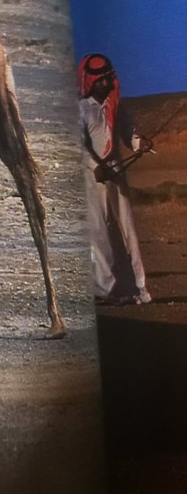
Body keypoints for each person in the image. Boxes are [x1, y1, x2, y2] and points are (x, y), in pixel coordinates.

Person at [77, 53, 153, 305]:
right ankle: (106, 291)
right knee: (98, 232)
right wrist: (95, 166)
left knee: (126, 228)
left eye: (108, 78)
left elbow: (130, 135)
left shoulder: (117, 108)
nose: (107, 82)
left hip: (116, 174)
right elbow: (78, 144)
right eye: (101, 79)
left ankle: (139, 289)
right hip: (92, 178)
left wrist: (140, 143)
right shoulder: (80, 109)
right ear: (91, 82)